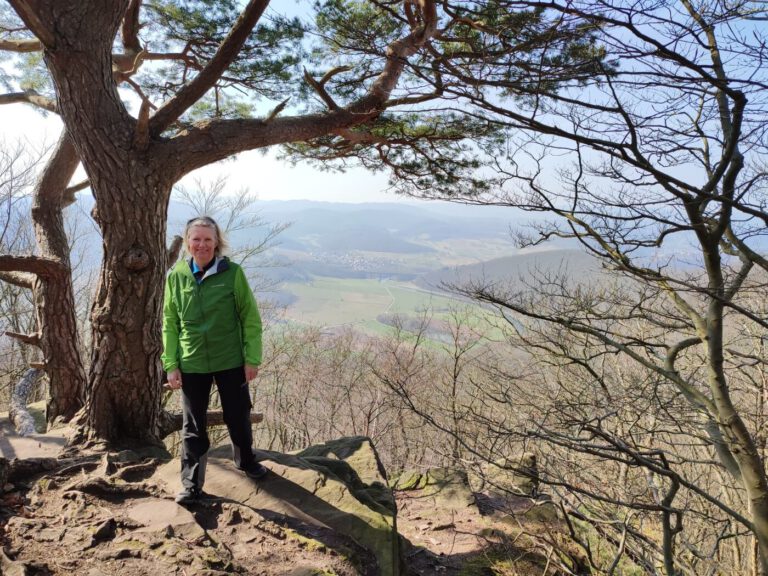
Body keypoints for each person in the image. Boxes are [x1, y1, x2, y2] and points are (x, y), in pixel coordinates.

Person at [162, 215, 268, 505]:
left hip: (230, 359)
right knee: (193, 426)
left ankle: (245, 461)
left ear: (217, 242)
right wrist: (170, 363)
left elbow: (250, 318)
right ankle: (191, 485)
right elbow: (170, 322)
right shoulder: (177, 276)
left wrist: (251, 358)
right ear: (188, 243)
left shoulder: (233, 273)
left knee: (238, 415)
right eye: (196, 239)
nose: (202, 245)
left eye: (208, 239)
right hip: (192, 361)